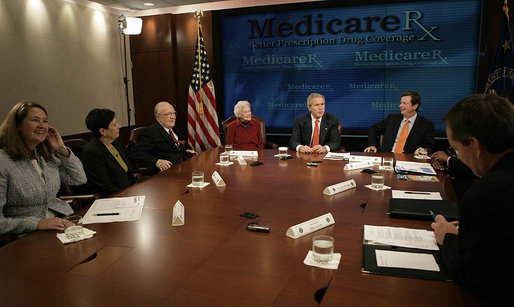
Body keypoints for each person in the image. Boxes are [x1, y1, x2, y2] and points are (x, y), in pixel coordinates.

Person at [431, 94, 514, 303]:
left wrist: (447, 236)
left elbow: (474, 277)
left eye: (457, 149)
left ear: (475, 146)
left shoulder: (488, 192)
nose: (458, 157)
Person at [0, 101, 86, 236]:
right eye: (35, 120)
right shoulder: (3, 162)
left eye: (45, 121)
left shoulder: (44, 155)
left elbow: (79, 179)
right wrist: (38, 223)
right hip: (28, 235)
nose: (42, 126)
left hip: (63, 222)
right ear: (17, 125)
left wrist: (61, 149)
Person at [81, 109, 137, 197]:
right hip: (115, 197)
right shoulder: (92, 152)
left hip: (130, 190)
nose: (119, 126)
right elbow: (105, 187)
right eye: (114, 124)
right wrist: (128, 194)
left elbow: (128, 172)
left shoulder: (114, 142)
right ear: (103, 131)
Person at [130, 101, 196, 174]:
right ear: (158, 117)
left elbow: (174, 148)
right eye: (168, 114)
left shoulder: (173, 130)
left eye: (174, 113)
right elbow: (136, 152)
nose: (173, 117)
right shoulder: (150, 132)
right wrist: (156, 161)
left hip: (183, 166)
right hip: (168, 172)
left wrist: (185, 150)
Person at [364, 91, 435, 154]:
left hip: (409, 159)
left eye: (405, 103)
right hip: (387, 157)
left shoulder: (427, 124)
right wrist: (372, 145)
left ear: (415, 106)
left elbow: (429, 147)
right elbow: (373, 129)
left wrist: (422, 151)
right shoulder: (392, 119)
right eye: (401, 103)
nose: (400, 105)